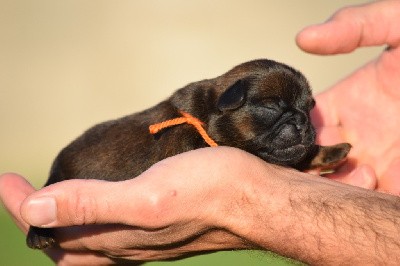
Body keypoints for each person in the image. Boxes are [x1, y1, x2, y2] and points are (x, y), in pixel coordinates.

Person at [1, 0, 400, 264]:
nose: (299, 125)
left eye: (303, 112)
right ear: (229, 101)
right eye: (274, 111)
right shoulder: (192, 119)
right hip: (81, 163)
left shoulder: (227, 119)